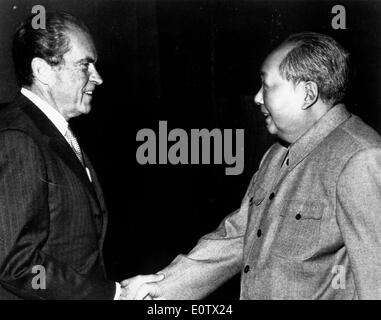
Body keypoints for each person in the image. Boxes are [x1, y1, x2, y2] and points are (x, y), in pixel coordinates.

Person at [130, 32, 381, 299]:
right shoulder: (275, 156)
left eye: (267, 85)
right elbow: (238, 237)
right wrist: (158, 287)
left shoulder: (360, 158)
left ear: (308, 93)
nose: (257, 98)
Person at [0, 11, 162, 300]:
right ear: (43, 71)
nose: (97, 78)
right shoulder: (19, 139)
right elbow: (16, 263)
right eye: (85, 65)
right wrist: (111, 295)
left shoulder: (51, 131)